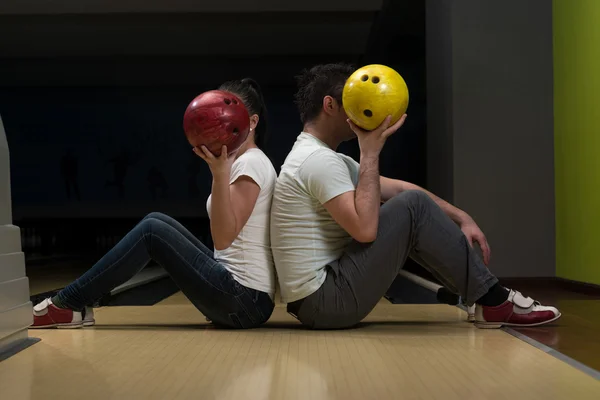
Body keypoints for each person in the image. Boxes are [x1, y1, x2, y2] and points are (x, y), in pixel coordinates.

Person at [271, 63, 561, 329]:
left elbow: (399, 189)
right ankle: (494, 300)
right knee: (412, 207)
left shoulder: (325, 159)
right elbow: (365, 231)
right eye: (352, 102)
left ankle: (485, 298)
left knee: (411, 203)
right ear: (330, 105)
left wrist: (462, 216)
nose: (361, 108)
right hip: (325, 302)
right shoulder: (317, 161)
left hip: (320, 299)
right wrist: (370, 152)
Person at [31, 78, 277, 329]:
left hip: (244, 301)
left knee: (152, 231)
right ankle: (74, 305)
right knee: (155, 221)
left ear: (252, 122)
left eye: (226, 117)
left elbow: (224, 238)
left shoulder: (251, 163)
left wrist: (219, 174)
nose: (218, 124)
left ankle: (67, 304)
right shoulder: (240, 162)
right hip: (242, 299)